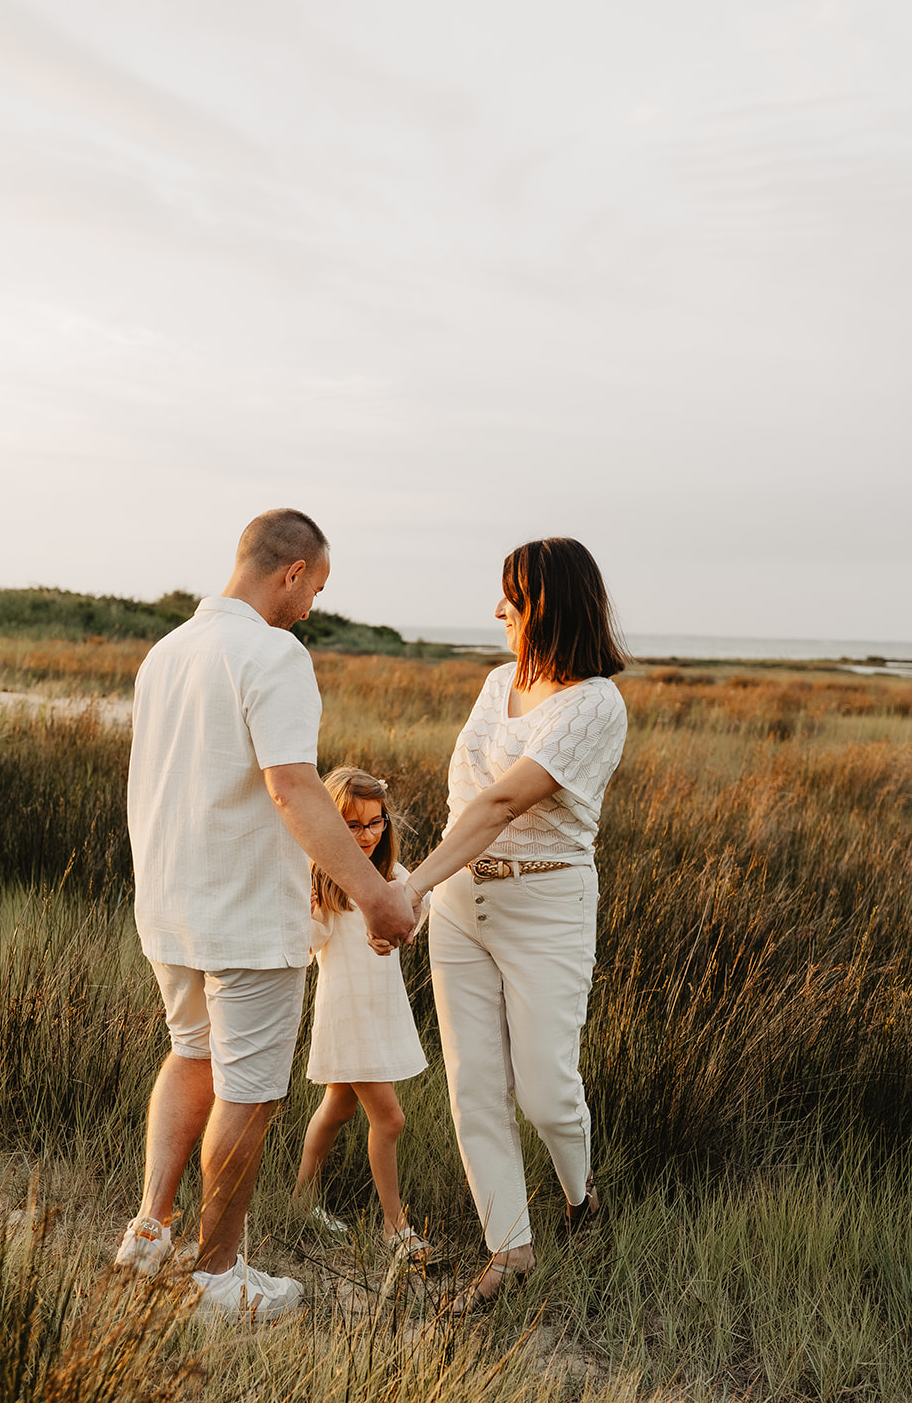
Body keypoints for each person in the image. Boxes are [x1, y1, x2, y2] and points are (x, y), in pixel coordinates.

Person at [116, 509, 415, 1321]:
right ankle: (217, 1277)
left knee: (192, 1057)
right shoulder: (273, 653)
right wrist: (375, 894)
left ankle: (149, 1236)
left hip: (169, 900)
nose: (312, 606)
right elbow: (293, 788)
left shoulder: (166, 652)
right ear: (290, 572)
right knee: (248, 1093)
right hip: (242, 909)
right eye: (315, 588)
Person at [403, 538, 627, 1312]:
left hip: (547, 905)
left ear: (550, 606)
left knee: (545, 1090)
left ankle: (580, 1196)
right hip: (462, 903)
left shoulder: (596, 703)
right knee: (472, 1085)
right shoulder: (498, 682)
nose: (498, 610)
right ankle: (509, 1250)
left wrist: (409, 887)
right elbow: (463, 796)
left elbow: (499, 803)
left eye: (513, 597)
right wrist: (433, 890)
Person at [293, 767, 431, 1260]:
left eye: (376, 822)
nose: (368, 834)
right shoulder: (326, 883)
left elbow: (417, 913)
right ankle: (395, 1228)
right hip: (348, 1015)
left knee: (339, 1107)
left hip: (380, 1011)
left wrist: (410, 906)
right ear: (331, 827)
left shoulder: (393, 878)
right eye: (352, 826)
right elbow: (308, 947)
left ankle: (300, 1200)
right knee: (389, 1120)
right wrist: (303, 907)